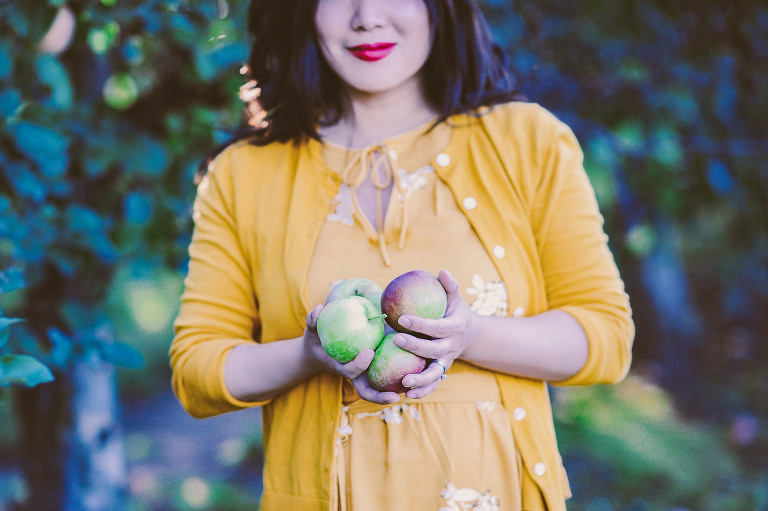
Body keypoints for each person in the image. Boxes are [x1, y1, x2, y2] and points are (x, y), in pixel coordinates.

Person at [170, 0, 635, 509]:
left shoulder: (526, 141)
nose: (367, 16)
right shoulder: (243, 175)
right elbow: (197, 371)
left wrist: (470, 335)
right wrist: (308, 356)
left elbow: (605, 337)